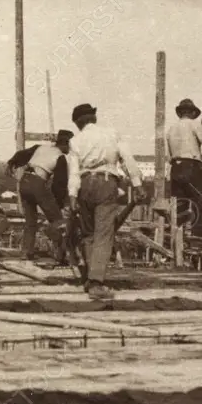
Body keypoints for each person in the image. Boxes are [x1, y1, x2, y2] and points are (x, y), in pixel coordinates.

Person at [66, 104, 145, 300]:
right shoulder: (111, 134)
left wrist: (73, 196)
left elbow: (73, 172)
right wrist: (137, 183)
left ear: (77, 123)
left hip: (84, 185)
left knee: (89, 234)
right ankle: (96, 282)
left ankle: (90, 277)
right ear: (93, 118)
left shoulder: (75, 141)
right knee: (104, 233)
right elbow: (127, 159)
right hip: (106, 182)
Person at [6, 129, 72, 263]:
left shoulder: (40, 147)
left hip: (24, 181)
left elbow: (21, 154)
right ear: (65, 144)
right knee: (58, 221)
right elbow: (59, 185)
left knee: (30, 220)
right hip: (38, 183)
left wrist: (11, 163)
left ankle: (26, 252)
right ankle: (61, 255)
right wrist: (57, 205)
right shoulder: (61, 157)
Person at [166, 98, 202, 241]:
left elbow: (168, 155)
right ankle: (198, 233)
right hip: (192, 166)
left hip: (176, 167)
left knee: (179, 202)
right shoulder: (195, 125)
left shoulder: (171, 129)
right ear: (192, 112)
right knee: (199, 199)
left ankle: (177, 235)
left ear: (180, 112)